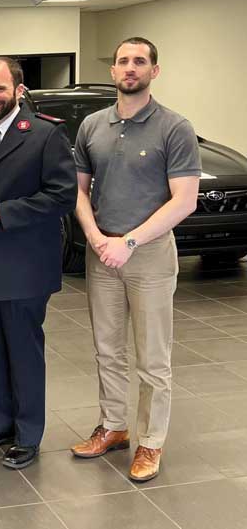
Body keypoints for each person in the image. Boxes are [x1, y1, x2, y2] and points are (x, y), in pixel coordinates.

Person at [70, 37, 200, 482]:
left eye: (139, 61)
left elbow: (185, 200)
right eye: (123, 61)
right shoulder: (92, 126)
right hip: (102, 253)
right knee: (107, 349)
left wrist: (129, 242)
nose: (130, 68)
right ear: (112, 70)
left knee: (153, 358)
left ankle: (151, 441)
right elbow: (79, 191)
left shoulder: (174, 127)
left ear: (153, 71)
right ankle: (113, 426)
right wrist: (94, 236)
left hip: (149, 256)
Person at [0, 57, 77, 470]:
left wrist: (2, 211)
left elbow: (62, 196)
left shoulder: (45, 134)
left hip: (25, 266)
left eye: (0, 89)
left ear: (18, 90)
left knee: (24, 352)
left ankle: (27, 435)